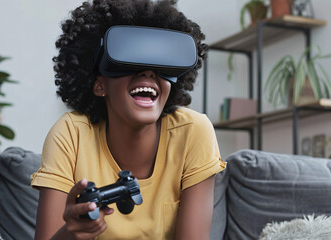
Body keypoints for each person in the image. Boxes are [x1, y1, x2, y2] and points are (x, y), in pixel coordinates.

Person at [30, 0, 226, 239]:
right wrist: (72, 233)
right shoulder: (70, 134)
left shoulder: (193, 132)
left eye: (160, 64)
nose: (148, 72)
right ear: (100, 84)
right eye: (128, 62)